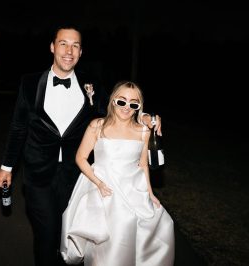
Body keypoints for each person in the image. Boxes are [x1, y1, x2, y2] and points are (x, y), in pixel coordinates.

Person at [0, 26, 162, 266]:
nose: (68, 51)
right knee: (47, 234)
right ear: (53, 47)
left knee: (70, 236)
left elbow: (116, 110)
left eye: (75, 45)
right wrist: (6, 167)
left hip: (77, 176)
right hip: (38, 174)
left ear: (81, 52)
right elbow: (18, 127)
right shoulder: (30, 83)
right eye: (63, 43)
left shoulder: (90, 84)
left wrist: (145, 117)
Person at [60, 81, 174, 266]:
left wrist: (151, 194)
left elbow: (143, 165)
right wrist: (98, 183)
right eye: (122, 101)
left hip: (132, 189)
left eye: (133, 104)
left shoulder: (143, 131)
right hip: (104, 189)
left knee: (154, 227)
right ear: (113, 101)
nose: (127, 107)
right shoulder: (97, 126)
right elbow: (81, 158)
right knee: (109, 240)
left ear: (139, 107)